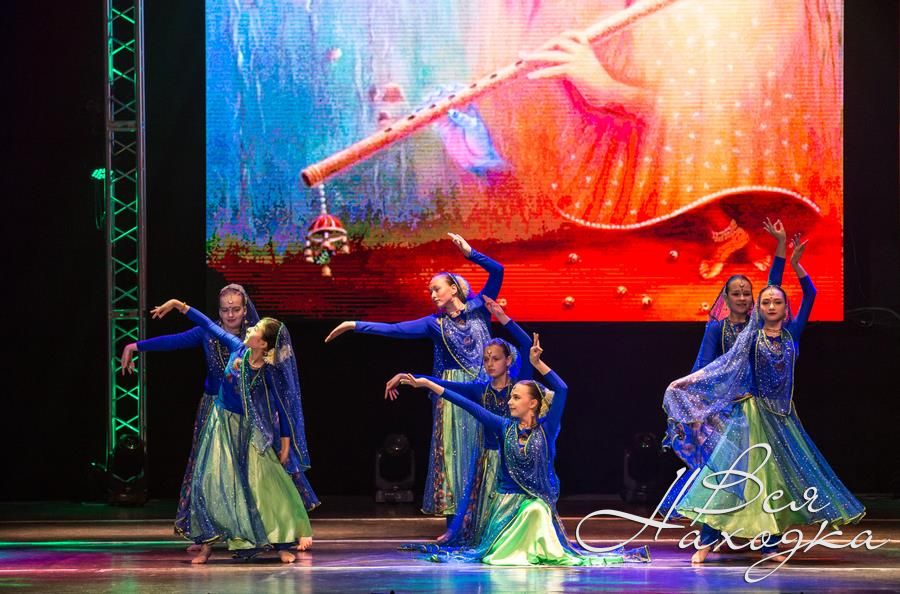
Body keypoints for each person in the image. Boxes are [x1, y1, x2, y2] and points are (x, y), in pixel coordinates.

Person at [662, 236, 865, 563]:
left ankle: (769, 543)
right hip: (745, 414)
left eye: (776, 303)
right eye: (765, 302)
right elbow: (710, 364)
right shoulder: (746, 333)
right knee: (728, 474)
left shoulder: (787, 333)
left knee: (773, 479)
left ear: (783, 308)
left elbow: (804, 293)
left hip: (779, 416)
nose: (769, 306)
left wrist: (792, 260)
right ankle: (707, 539)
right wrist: (691, 390)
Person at [394, 335, 650, 566]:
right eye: (511, 397)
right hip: (507, 505)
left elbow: (562, 389)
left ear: (533, 403)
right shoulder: (504, 426)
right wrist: (427, 384)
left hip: (536, 502)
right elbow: (467, 404)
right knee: (526, 515)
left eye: (516, 397)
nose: (510, 401)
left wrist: (538, 364)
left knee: (536, 509)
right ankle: (512, 551)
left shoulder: (547, 429)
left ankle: (534, 551)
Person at [325, 233, 503, 523]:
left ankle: (487, 518)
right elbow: (394, 330)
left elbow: (498, 271)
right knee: (453, 455)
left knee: (485, 449)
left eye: (436, 289)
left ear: (454, 289)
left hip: (484, 388)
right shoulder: (434, 324)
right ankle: (456, 523)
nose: (432, 295)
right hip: (451, 393)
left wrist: (470, 253)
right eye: (430, 291)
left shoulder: (480, 309)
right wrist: (354, 324)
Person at [148, 298, 315, 563]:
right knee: (211, 482)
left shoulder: (268, 372)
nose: (249, 329)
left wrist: (285, 444)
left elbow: (281, 408)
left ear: (263, 344)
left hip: (250, 428)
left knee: (268, 484)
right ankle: (206, 547)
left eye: (255, 330)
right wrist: (179, 306)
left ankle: (282, 543)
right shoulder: (237, 348)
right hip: (220, 424)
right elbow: (207, 324)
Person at [385, 296, 534, 546]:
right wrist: (413, 378)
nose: (489, 364)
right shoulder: (480, 390)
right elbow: (446, 386)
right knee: (481, 520)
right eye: (486, 359)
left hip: (515, 460)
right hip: (489, 461)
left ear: (508, 360)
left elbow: (526, 343)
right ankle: (464, 532)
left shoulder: (520, 387)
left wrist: (502, 317)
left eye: (496, 358)